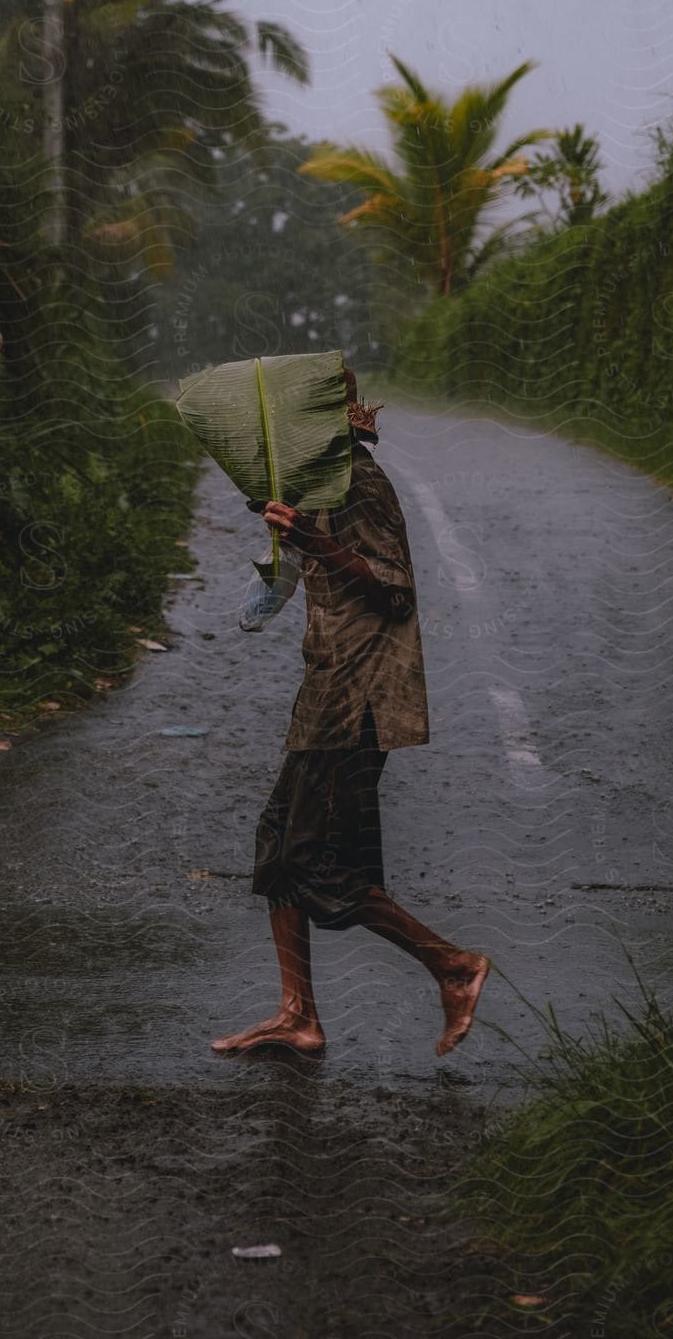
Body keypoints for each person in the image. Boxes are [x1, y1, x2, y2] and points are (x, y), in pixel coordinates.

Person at [211, 367, 490, 1059]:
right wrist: (282, 545)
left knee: (321, 867)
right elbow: (280, 586)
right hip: (325, 689)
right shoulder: (311, 483)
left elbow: (394, 589)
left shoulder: (359, 481)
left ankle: (453, 967)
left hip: (358, 699)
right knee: (278, 848)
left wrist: (313, 539)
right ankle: (297, 1014)